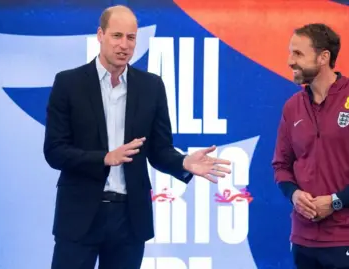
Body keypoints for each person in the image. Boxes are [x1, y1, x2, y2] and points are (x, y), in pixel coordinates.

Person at [43, 5, 231, 269]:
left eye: (131, 38)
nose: (124, 45)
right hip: (79, 216)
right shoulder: (68, 83)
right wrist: (105, 158)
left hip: (129, 219)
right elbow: (54, 151)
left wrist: (183, 162)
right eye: (116, 36)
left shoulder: (151, 86)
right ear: (100, 35)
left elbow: (159, 150)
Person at [272, 23, 349, 269]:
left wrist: (335, 201)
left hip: (348, 236)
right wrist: (294, 195)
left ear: (323, 57)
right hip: (303, 236)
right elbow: (281, 165)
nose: (289, 61)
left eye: (298, 53)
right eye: (290, 52)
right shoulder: (291, 107)